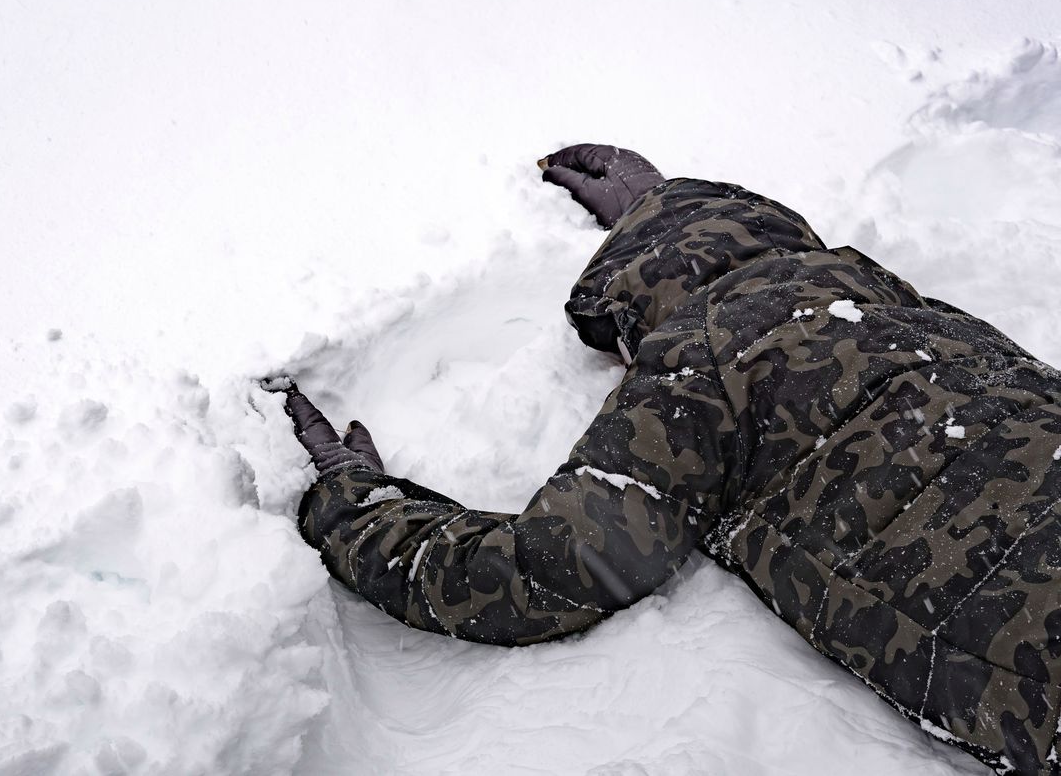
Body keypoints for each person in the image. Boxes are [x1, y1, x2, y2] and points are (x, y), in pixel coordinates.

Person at [266, 144, 1061, 775]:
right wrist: (658, 202)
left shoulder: (700, 365)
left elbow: (548, 571)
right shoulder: (907, 304)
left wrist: (355, 507)